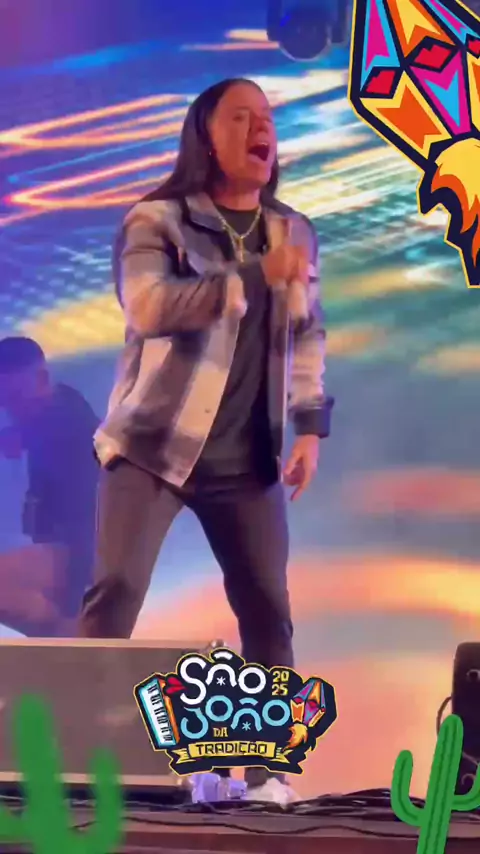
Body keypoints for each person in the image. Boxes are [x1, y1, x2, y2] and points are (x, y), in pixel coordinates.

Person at [79, 78, 334, 803]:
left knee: (268, 610)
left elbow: (307, 333)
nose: (261, 130)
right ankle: (75, 762)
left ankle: (269, 776)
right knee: (116, 591)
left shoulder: (293, 230)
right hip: (153, 446)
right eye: (241, 117)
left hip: (246, 455)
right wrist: (252, 275)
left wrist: (310, 428)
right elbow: (149, 307)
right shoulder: (156, 219)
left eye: (267, 118)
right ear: (206, 137)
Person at [0, 337, 99, 636]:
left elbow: (89, 518)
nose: (11, 408)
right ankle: (67, 640)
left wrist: (71, 601)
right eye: (4, 401)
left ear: (42, 379)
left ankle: (70, 636)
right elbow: (29, 430)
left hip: (84, 552)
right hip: (67, 545)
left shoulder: (70, 426)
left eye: (16, 397)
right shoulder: (59, 405)